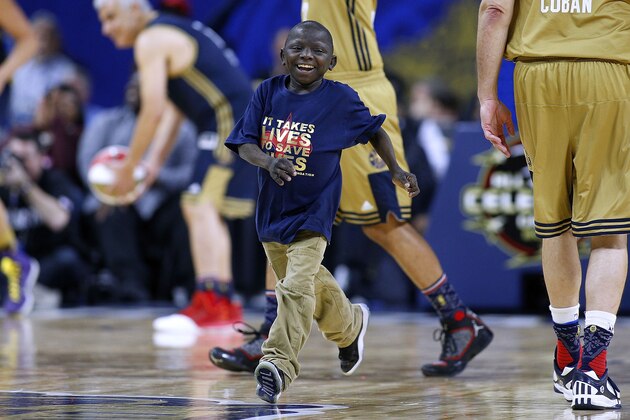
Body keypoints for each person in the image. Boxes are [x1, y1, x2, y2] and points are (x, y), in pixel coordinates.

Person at [210, 0, 493, 378]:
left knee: (384, 223)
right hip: (312, 92)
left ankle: (459, 319)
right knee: (282, 206)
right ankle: (269, 330)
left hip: (355, 92)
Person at [225, 20, 419, 403]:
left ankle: (277, 365)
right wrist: (267, 162)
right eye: (297, 48)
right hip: (272, 212)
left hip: (314, 212)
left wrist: (395, 169)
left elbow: (375, 130)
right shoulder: (266, 92)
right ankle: (350, 327)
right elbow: (243, 142)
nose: (306, 56)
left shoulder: (341, 99)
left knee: (294, 288)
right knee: (312, 285)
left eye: (317, 51)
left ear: (332, 61)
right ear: (282, 56)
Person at [477, 0, 629, 411]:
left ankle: (566, 357)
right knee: (609, 231)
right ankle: (592, 369)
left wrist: (487, 95)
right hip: (606, 69)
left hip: (536, 75)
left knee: (554, 223)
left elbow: (494, 10)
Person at [94, 0, 257, 329]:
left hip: (229, 120)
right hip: (232, 119)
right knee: (200, 205)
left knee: (198, 205)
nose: (105, 29)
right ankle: (217, 299)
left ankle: (215, 302)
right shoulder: (169, 30)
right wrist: (151, 163)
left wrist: (128, 169)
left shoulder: (151, 40)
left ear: (135, 9)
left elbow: (151, 110)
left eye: (111, 17)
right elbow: (173, 108)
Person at [77, 73, 197, 303]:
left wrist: (152, 176)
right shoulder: (106, 122)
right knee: (111, 212)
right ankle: (131, 288)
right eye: (131, 84)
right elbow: (87, 164)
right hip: (113, 198)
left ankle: (189, 287)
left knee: (189, 206)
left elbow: (190, 173)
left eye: (141, 85)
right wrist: (112, 189)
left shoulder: (179, 127)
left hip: (158, 201)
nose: (133, 88)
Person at [0, 126, 88, 311]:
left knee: (68, 261)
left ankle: (31, 292)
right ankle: (28, 292)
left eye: (24, 158)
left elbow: (59, 220)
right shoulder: (3, 184)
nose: (17, 164)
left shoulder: (55, 180)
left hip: (46, 261)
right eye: (13, 157)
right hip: (11, 265)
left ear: (41, 157)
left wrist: (25, 186)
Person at [8, 11, 78, 126]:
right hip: (17, 127)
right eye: (36, 37)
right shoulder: (18, 65)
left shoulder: (67, 71)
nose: (41, 43)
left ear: (56, 41)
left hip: (50, 129)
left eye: (45, 37)